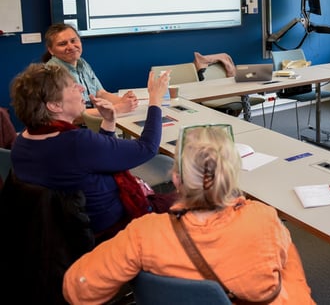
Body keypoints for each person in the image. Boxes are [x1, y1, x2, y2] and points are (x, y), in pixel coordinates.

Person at [63, 124, 315, 305]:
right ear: (232, 177)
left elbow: (78, 290)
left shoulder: (143, 233)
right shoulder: (264, 218)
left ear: (176, 179)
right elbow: (292, 283)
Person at [9, 63, 171, 238]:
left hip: (64, 232)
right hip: (112, 229)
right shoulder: (77, 142)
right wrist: (155, 100)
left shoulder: (22, 142)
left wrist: (108, 122)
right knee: (192, 200)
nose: (81, 88)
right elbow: (147, 148)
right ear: (55, 105)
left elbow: (96, 158)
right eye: (73, 86)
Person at [43, 23, 139, 114]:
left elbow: (100, 93)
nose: (71, 46)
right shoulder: (51, 73)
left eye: (73, 40)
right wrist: (118, 108)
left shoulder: (82, 63)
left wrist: (124, 101)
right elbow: (72, 115)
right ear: (51, 50)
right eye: (63, 44)